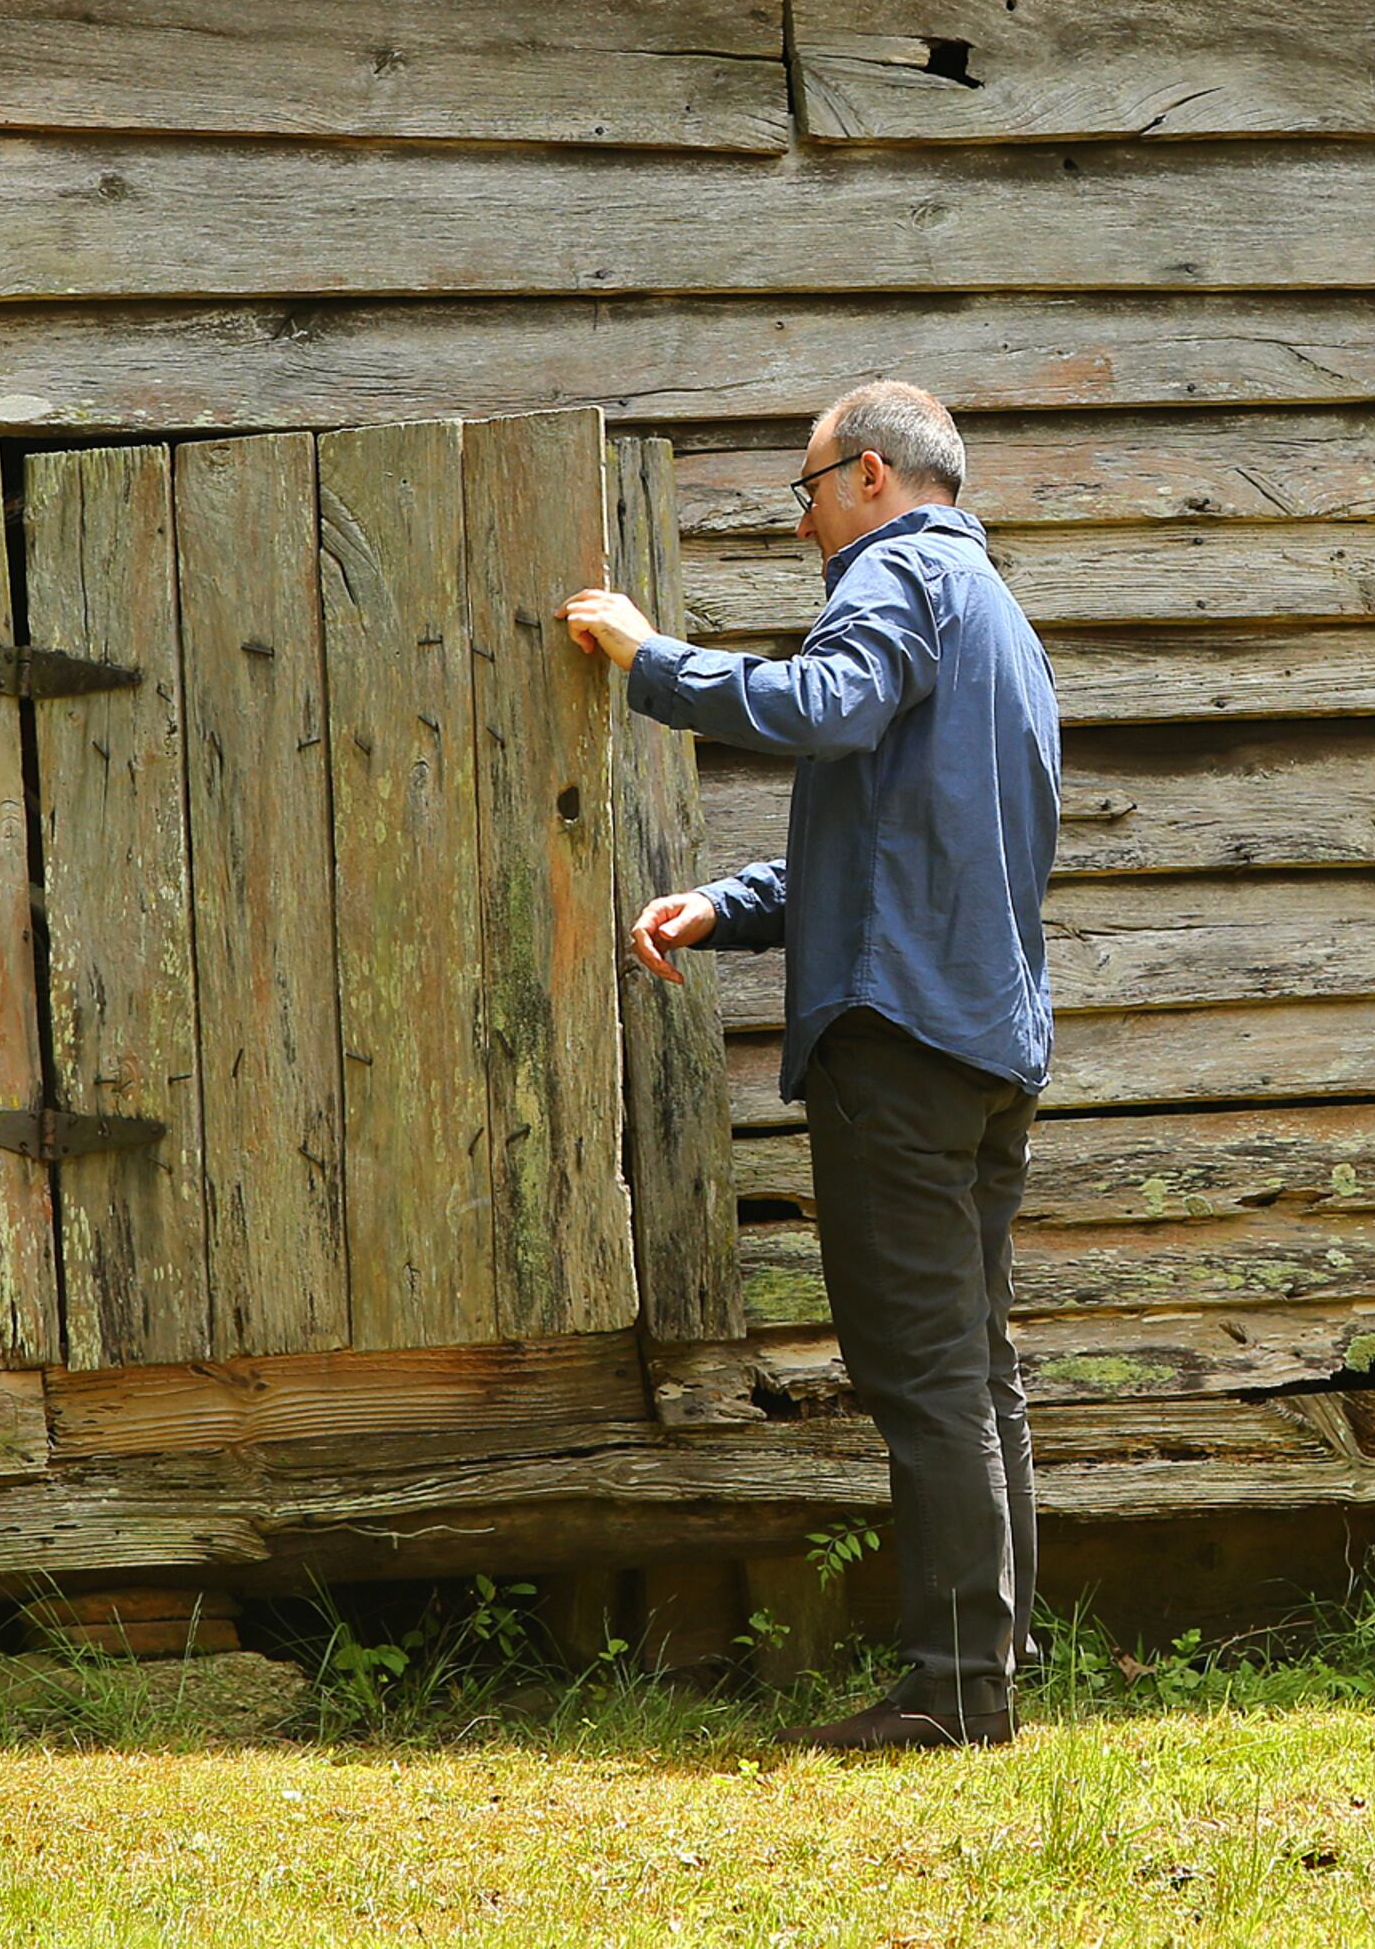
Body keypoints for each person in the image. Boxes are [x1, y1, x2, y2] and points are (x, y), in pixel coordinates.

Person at [559, 379, 1061, 1752]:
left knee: (928, 1376)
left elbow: (827, 705)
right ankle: (995, 1666)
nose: (803, 523)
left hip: (899, 1044)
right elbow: (896, 842)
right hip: (983, 1041)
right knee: (977, 1363)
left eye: (809, 488)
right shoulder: (1001, 621)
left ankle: (956, 1696)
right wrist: (731, 903)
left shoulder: (896, 574)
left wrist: (651, 659)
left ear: (877, 478)